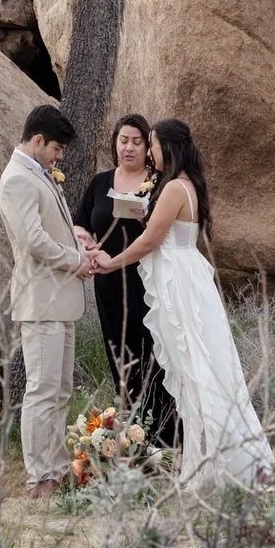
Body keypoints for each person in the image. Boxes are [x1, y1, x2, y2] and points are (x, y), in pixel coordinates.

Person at [91, 117, 273, 491]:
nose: (149, 151)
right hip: (185, 276)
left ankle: (219, 463)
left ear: (167, 147)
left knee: (196, 371)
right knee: (194, 373)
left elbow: (149, 242)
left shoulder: (174, 187)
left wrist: (110, 262)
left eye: (152, 144)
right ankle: (203, 463)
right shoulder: (184, 185)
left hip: (179, 285)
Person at [0, 103, 98, 498]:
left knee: (59, 390)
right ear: (38, 140)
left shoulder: (36, 173)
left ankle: (57, 467)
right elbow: (32, 240)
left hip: (58, 300)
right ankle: (39, 479)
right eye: (56, 149)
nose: (59, 157)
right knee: (41, 390)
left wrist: (77, 237)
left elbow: (46, 225)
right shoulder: (16, 179)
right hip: (41, 300)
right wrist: (76, 261)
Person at [79, 115, 178, 446]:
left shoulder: (159, 182)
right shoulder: (100, 182)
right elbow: (81, 224)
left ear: (148, 148)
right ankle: (136, 437)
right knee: (122, 359)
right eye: (124, 140)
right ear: (115, 143)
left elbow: (167, 232)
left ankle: (167, 437)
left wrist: (145, 217)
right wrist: (87, 245)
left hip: (146, 283)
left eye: (137, 141)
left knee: (154, 357)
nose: (130, 147)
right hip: (108, 284)